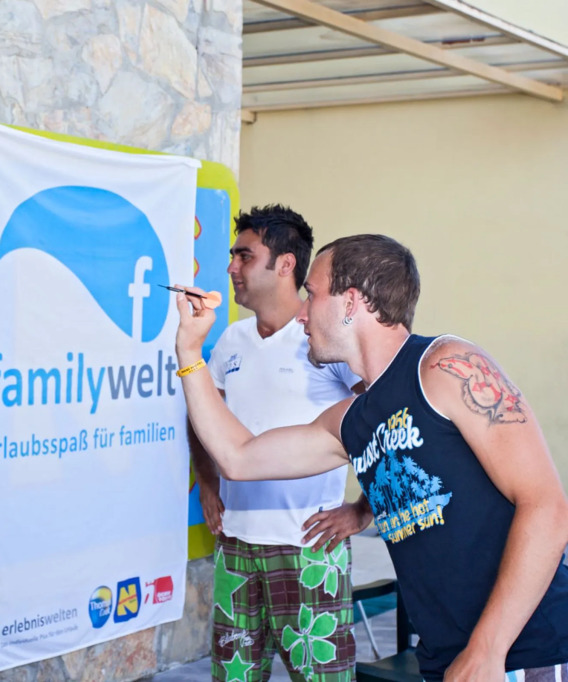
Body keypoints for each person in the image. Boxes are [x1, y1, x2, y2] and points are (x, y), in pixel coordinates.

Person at [175, 234, 568, 681]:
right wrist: (189, 352)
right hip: (448, 659)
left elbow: (547, 507)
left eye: (312, 295)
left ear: (351, 302)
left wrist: (487, 649)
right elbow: (238, 458)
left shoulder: (444, 366)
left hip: (525, 653)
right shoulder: (349, 421)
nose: (301, 314)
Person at [190, 205, 370, 682]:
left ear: (285, 264)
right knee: (234, 677)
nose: (232, 267)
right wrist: (207, 483)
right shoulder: (231, 340)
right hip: (236, 545)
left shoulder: (326, 341)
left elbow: (385, 421)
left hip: (309, 548)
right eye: (233, 256)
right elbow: (201, 416)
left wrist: (362, 511)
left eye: (244, 256)